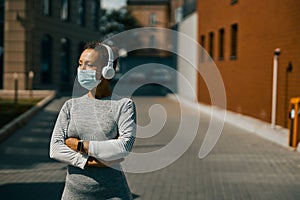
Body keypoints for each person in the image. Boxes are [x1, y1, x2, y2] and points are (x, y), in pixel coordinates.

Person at [49, 41, 136, 200]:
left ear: (107, 71)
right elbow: (55, 149)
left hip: (113, 194)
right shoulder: (70, 106)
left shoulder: (124, 106)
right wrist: (89, 161)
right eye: (80, 64)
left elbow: (123, 147)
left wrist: (79, 145)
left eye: (89, 65)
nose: (81, 70)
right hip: (73, 195)